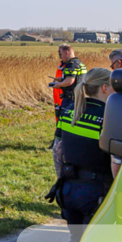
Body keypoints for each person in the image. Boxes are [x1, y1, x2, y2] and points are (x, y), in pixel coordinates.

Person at [52, 67, 114, 242]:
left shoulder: (69, 110)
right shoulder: (110, 117)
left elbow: (57, 150)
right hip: (96, 193)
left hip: (68, 190)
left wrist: (63, 181)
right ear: (105, 88)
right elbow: (115, 161)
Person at [48, 45, 86, 177]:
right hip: (79, 98)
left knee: (63, 124)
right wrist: (60, 79)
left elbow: (70, 81)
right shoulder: (80, 64)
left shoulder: (71, 65)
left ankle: (61, 147)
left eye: (61, 54)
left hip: (70, 99)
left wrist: (58, 85)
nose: (60, 57)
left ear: (67, 52)